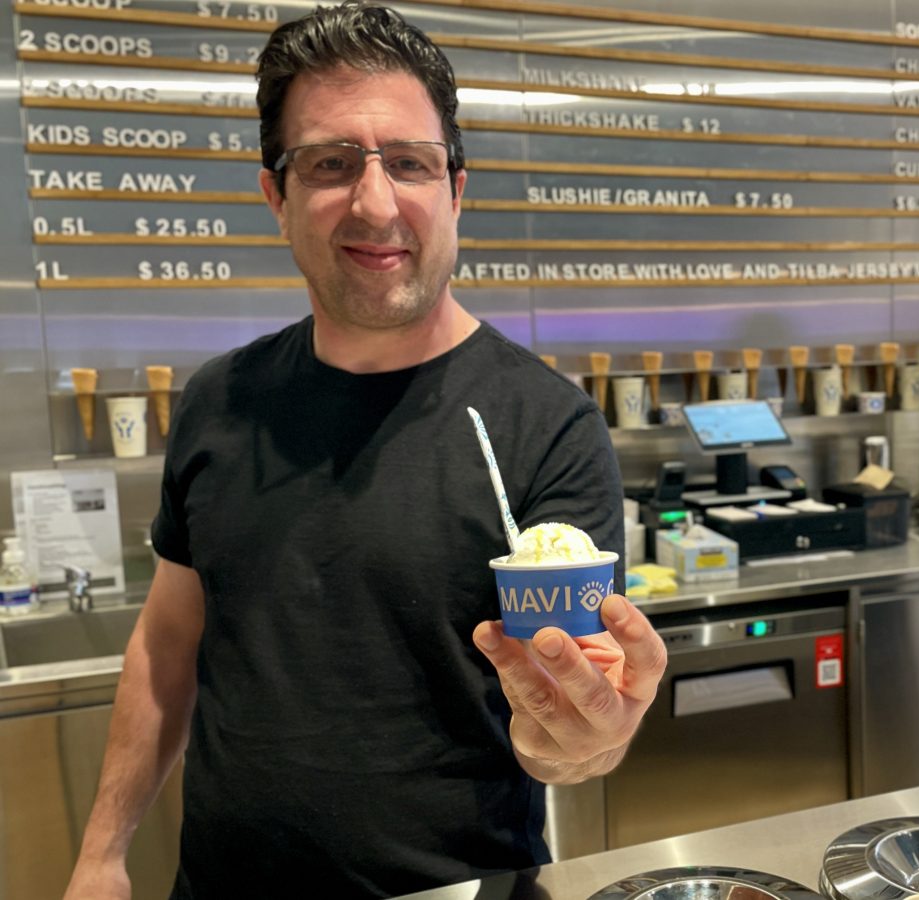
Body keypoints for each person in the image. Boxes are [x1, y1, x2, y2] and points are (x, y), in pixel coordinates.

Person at [62, 3, 667, 898]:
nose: (376, 202)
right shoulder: (218, 401)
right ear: (277, 196)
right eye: (331, 163)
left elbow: (564, 710)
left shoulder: (546, 425)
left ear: (458, 190)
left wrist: (582, 737)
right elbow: (168, 640)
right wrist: (102, 853)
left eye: (411, 164)